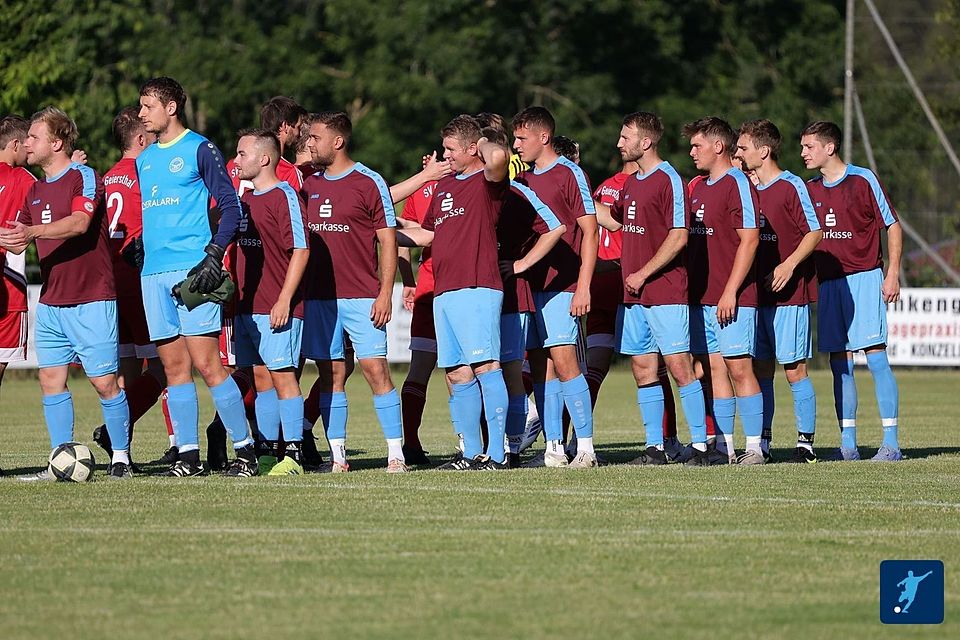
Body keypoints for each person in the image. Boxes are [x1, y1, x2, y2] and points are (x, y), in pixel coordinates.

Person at [0, 107, 132, 479]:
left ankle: (121, 458)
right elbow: (15, 233)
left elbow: (80, 222)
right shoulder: (35, 189)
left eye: (34, 137)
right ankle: (59, 458)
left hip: (92, 298)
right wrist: (11, 236)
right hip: (53, 301)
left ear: (55, 143)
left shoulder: (84, 176)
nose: (27, 142)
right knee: (49, 381)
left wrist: (31, 234)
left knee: (104, 382)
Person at [136, 76, 254, 477]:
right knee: (173, 370)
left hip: (193, 273)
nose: (141, 114)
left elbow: (231, 208)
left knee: (208, 365)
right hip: (152, 274)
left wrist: (214, 254)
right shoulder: (144, 158)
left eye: (147, 106)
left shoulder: (200, 148)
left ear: (170, 107)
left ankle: (245, 451)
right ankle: (188, 456)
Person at [594, 111, 710, 465]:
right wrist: (573, 195)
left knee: (679, 367)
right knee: (643, 369)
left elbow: (678, 236)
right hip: (633, 296)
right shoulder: (631, 183)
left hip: (665, 292)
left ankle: (702, 447)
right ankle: (654, 448)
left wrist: (643, 273)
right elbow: (612, 220)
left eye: (625, 137)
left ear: (645, 142)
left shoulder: (669, 179)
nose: (619, 144)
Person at [396, 114, 512, 470]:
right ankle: (470, 454)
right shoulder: (446, 187)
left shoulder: (486, 181)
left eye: (449, 149)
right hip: (444, 291)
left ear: (471, 148)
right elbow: (427, 235)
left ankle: (497, 454)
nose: (443, 156)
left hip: (476, 286)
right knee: (457, 372)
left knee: (486, 367)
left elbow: (498, 159)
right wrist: (384, 232)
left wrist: (481, 138)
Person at [301, 110, 406, 473]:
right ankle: (338, 458)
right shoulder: (307, 183)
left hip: (363, 296)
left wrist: (384, 293)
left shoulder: (369, 181)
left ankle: (396, 454)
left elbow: (387, 242)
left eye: (314, 137)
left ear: (338, 141)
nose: (308, 144)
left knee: (377, 371)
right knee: (331, 374)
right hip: (319, 298)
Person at [801, 121, 903, 462]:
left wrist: (893, 273)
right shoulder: (809, 188)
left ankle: (891, 442)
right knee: (839, 364)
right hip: (829, 286)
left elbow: (892, 224)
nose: (803, 153)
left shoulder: (863, 179)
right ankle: (848, 444)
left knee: (875, 358)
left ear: (829, 147)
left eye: (809, 147)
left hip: (864, 279)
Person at [511, 107, 599, 468]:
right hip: (532, 288)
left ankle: (587, 449)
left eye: (521, 139)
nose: (517, 147)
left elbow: (591, 231)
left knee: (565, 364)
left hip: (564, 285)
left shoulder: (569, 173)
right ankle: (554, 448)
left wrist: (583, 286)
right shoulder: (523, 182)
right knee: (540, 367)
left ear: (543, 137)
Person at [734, 119, 822, 463]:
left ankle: (805, 445)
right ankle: (764, 443)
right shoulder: (747, 189)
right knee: (761, 370)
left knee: (794, 370)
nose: (738, 153)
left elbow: (813, 233)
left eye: (743, 148)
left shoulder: (790, 185)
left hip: (789, 297)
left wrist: (788, 266)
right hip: (757, 298)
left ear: (763, 151)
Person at [91, 107, 171, 466]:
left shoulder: (105, 178)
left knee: (123, 372)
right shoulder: (146, 173)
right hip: (140, 281)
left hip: (111, 282)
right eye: (152, 137)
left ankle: (121, 456)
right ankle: (116, 434)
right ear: (141, 139)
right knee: (163, 368)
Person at [684, 116, 764, 465]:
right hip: (703, 298)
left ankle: (756, 447)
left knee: (739, 368)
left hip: (734, 298)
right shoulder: (697, 186)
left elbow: (750, 239)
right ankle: (726, 446)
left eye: (697, 145)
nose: (691, 152)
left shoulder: (738, 183)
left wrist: (730, 291)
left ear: (718, 146)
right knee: (715, 369)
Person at [232, 128, 309, 475]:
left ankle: (293, 457)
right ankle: (265, 455)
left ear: (264, 159)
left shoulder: (285, 195)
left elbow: (301, 249)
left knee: (283, 378)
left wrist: (284, 299)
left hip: (277, 306)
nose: (236, 161)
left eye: (242, 154)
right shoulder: (245, 200)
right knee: (261, 380)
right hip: (247, 306)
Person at [0, 116, 35, 410]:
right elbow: (55, 201)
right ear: (14, 144)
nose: (30, 149)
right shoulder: (23, 180)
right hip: (9, 291)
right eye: (28, 143)